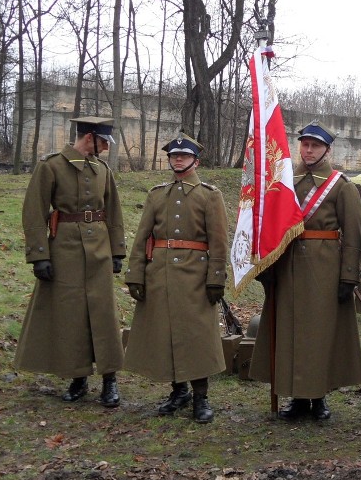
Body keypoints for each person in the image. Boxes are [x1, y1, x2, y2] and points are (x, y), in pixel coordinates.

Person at [250, 122, 361, 420]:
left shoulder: (341, 186)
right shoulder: (284, 181)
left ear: (327, 150)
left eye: (315, 145)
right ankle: (296, 396)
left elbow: (354, 235)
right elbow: (270, 223)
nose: (309, 150)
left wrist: (349, 275)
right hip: (287, 266)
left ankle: (318, 396)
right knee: (288, 332)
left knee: (319, 334)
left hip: (325, 268)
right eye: (305, 144)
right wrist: (265, 265)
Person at [15, 116, 126, 407]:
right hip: (64, 250)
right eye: (103, 142)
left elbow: (113, 211)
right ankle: (78, 378)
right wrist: (39, 255)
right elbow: (33, 211)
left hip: (99, 249)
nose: (104, 148)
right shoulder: (51, 166)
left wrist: (116, 252)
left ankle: (109, 380)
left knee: (103, 314)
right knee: (72, 315)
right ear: (89, 137)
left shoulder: (103, 170)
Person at [124, 132, 229, 424]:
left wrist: (216, 278)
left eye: (183, 156)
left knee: (196, 337)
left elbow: (219, 241)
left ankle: (201, 396)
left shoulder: (210, 195)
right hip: (159, 273)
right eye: (173, 156)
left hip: (196, 277)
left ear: (196, 160)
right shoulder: (157, 194)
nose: (178, 160)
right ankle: (178, 390)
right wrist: (136, 274)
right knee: (164, 333)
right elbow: (142, 236)